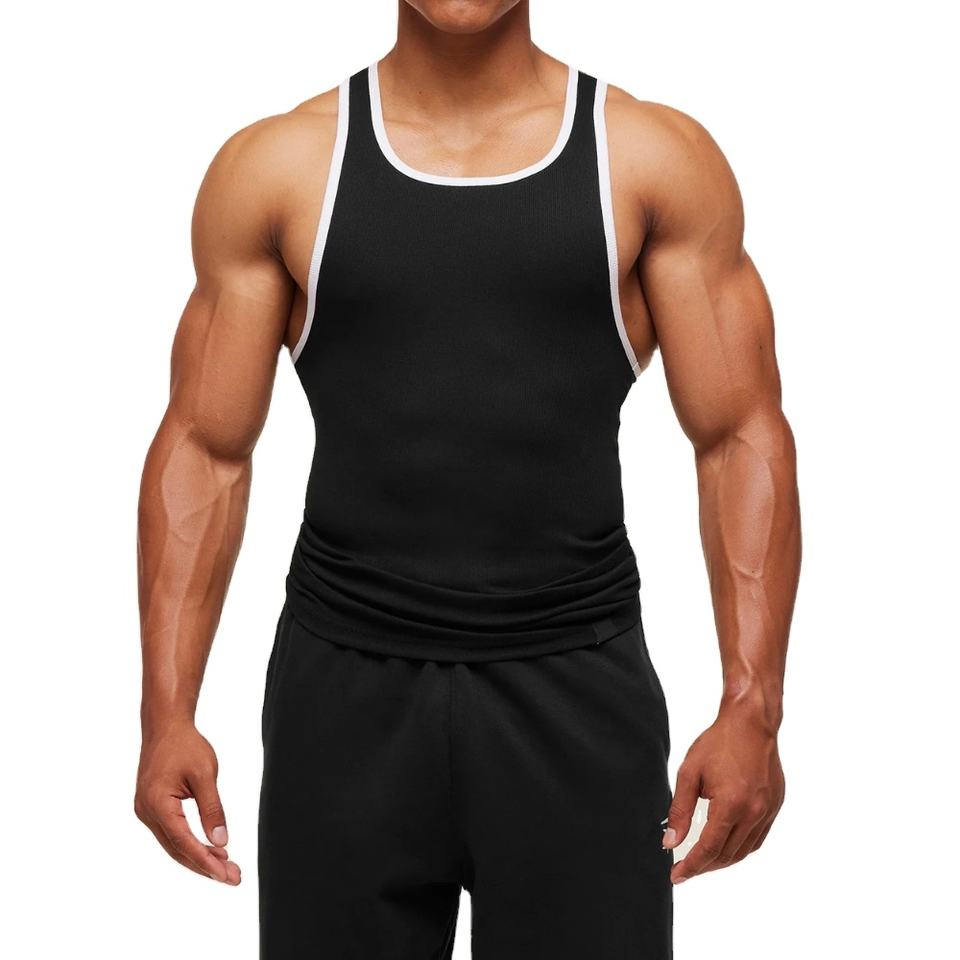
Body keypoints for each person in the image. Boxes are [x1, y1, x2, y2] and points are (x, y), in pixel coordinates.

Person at [135, 1, 801, 956]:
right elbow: (207, 446)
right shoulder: (281, 167)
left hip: (578, 689)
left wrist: (752, 707)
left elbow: (738, 435)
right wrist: (166, 713)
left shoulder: (650, 160)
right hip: (342, 694)